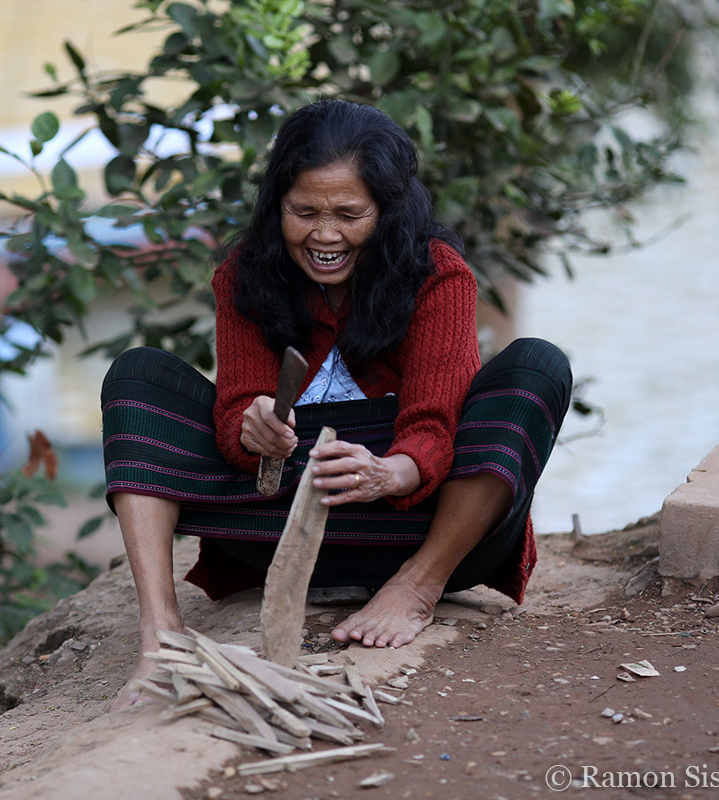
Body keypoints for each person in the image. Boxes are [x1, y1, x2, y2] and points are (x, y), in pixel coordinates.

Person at [101, 99, 572, 709]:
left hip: (412, 521)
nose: (325, 235)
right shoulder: (243, 274)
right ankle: (161, 636)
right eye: (304, 212)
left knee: (537, 365)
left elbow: (434, 424)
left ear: (388, 211)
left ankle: (417, 588)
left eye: (350, 214)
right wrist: (252, 431)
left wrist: (389, 472)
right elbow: (237, 405)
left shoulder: (439, 276)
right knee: (138, 374)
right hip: (279, 520)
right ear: (278, 207)